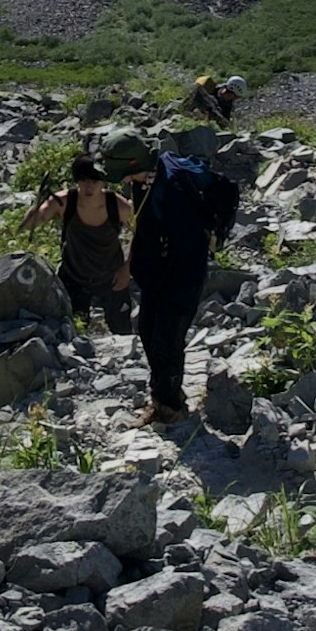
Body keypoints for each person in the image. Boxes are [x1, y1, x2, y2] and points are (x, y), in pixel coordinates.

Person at [127, 124, 242, 429]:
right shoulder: (145, 179)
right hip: (157, 273)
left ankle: (170, 406)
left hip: (180, 277)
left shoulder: (173, 186)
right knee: (148, 331)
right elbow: (144, 227)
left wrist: (166, 278)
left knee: (167, 339)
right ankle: (165, 395)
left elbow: (187, 243)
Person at [44, 132, 134, 337]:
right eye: (83, 180)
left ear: (104, 182)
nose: (89, 186)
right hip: (74, 274)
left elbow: (141, 233)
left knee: (123, 331)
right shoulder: (66, 201)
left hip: (112, 274)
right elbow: (40, 215)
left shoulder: (119, 206)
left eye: (94, 180)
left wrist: (127, 268)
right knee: (72, 332)